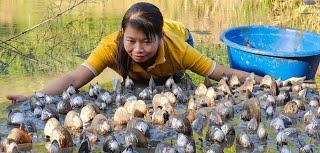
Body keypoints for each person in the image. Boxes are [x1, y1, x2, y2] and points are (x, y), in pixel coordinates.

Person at [6, 2, 261, 103]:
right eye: (131, 41)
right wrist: (33, 96)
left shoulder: (178, 49)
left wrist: (267, 82)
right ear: (122, 34)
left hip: (182, 35)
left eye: (146, 42)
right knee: (136, 83)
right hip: (152, 38)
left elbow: (221, 72)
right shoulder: (112, 45)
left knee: (176, 83)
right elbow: (75, 78)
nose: (138, 49)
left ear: (159, 39)